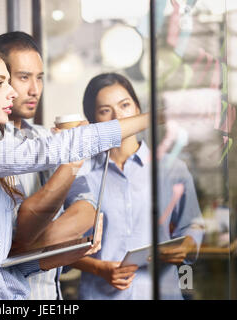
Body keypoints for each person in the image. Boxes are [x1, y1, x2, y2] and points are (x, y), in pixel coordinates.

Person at [0, 46, 152, 300]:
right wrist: (154, 118)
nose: (12, 92)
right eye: (0, 83)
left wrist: (62, 255)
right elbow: (50, 149)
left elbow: (0, 268)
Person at [68, 73, 205, 300]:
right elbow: (62, 249)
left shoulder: (172, 168)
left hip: (161, 291)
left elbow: (192, 223)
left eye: (124, 105)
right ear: (93, 121)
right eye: (105, 111)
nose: (118, 117)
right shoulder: (81, 175)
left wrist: (188, 244)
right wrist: (98, 268)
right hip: (101, 294)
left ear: (138, 109)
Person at [0, 31, 97, 300]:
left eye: (39, 78)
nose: (34, 89)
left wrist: (29, 245)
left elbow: (87, 206)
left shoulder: (48, 136)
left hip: (50, 295)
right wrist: (56, 241)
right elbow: (9, 238)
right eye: (24, 77)